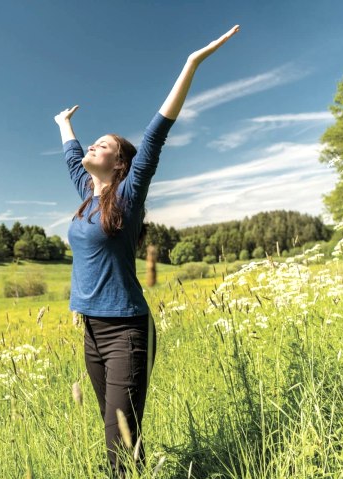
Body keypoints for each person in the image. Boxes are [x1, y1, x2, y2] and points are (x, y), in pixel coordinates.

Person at [54, 25, 240, 477]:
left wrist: (191, 64)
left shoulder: (128, 195)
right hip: (92, 331)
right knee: (112, 429)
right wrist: (64, 125)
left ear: (120, 163)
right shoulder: (86, 193)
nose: (92, 146)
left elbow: (156, 133)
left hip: (126, 333)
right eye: (92, 141)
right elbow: (71, 154)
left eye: (105, 144)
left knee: (121, 442)